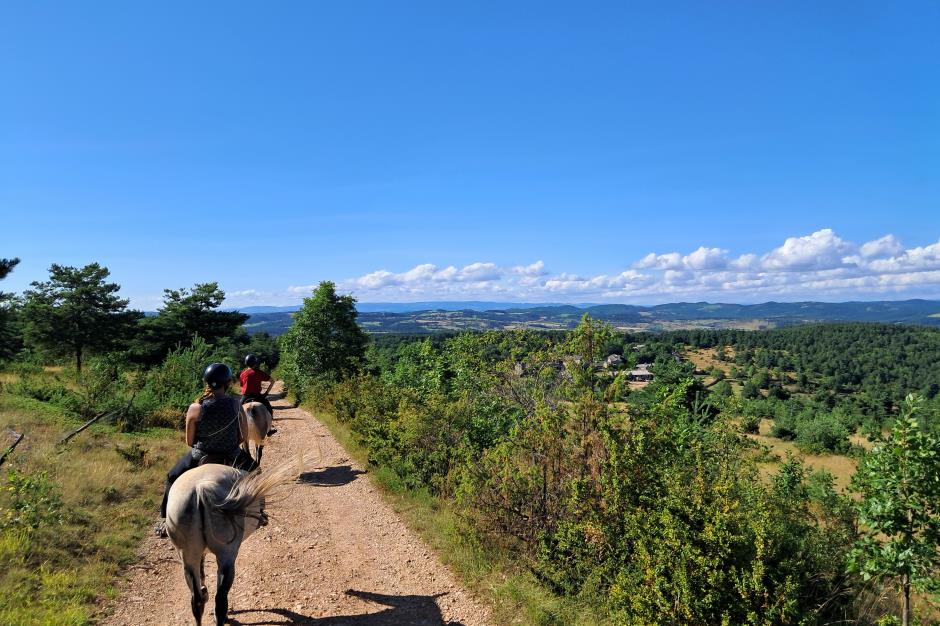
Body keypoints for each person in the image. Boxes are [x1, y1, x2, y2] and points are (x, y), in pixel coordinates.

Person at [155, 362, 258, 538]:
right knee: (256, 471)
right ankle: (259, 513)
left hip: (200, 455)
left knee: (172, 476)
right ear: (227, 383)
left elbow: (189, 441)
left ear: (207, 382)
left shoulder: (196, 408)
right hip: (231, 455)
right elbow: (243, 437)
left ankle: (165, 519)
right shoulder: (236, 404)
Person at [239, 354, 277, 436]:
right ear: (255, 363)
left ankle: (236, 431)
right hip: (258, 396)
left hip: (246, 396)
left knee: (237, 411)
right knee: (269, 409)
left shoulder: (243, 374)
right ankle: (269, 429)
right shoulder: (259, 372)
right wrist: (266, 393)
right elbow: (272, 381)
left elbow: (242, 385)